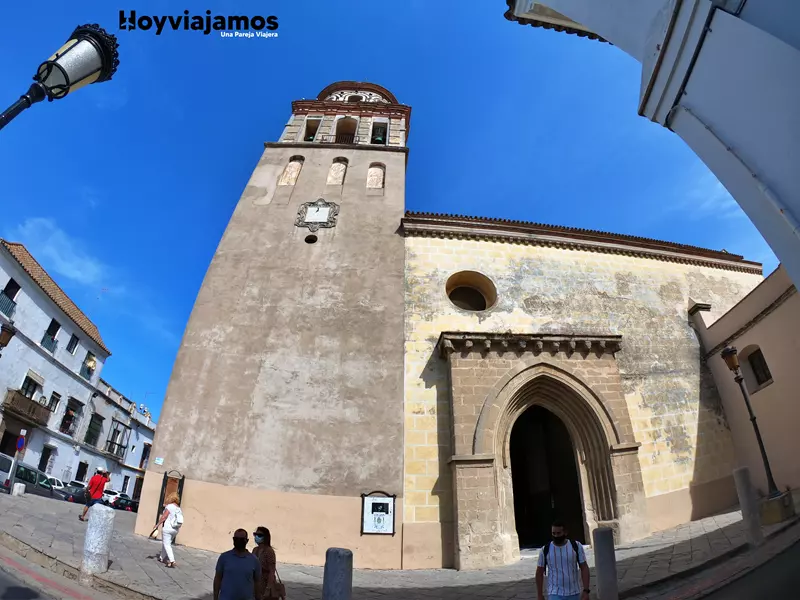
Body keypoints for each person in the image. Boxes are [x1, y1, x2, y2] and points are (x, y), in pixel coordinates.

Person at [536, 520, 591, 600]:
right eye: (553, 533)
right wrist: (539, 595)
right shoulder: (545, 550)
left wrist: (586, 590)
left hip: (574, 592)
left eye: (558, 533)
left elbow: (584, 567)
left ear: (565, 532)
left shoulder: (576, 546)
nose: (556, 536)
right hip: (554, 593)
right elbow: (539, 573)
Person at [214, 529, 261, 600]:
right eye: (236, 539)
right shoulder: (224, 557)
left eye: (241, 539)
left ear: (247, 541)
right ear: (233, 539)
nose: (238, 541)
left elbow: (257, 582)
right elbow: (218, 578)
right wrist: (215, 597)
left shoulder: (254, 560)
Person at [252, 526, 283, 599]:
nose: (256, 537)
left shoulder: (269, 551)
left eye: (259, 535)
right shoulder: (255, 550)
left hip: (265, 582)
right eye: (255, 534)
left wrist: (268, 588)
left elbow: (272, 571)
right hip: (256, 583)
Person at [154, 492, 184, 568]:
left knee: (167, 544)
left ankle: (172, 560)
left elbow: (164, 517)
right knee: (166, 543)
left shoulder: (169, 506)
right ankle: (161, 558)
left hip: (168, 528)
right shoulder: (178, 508)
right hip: (175, 529)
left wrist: (157, 525)